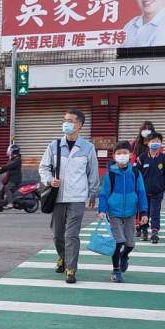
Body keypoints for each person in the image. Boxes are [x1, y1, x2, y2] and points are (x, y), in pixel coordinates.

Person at [38, 108, 100, 284]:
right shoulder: (54, 146)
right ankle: (62, 257)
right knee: (58, 235)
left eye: (71, 120)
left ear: (79, 125)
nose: (66, 123)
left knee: (71, 234)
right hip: (57, 197)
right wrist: (50, 180)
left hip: (77, 198)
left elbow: (92, 174)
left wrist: (93, 195)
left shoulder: (88, 148)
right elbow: (43, 167)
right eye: (65, 119)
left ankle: (71, 268)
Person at [97, 142, 149, 283]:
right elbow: (103, 194)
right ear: (114, 156)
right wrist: (102, 210)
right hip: (114, 213)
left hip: (131, 213)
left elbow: (141, 192)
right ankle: (116, 270)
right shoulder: (111, 175)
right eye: (119, 153)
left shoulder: (136, 173)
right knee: (118, 242)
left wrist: (144, 212)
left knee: (130, 244)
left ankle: (124, 256)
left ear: (131, 155)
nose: (122, 156)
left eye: (125, 152)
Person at [136, 132, 165, 243]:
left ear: (161, 144)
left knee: (155, 211)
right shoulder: (142, 158)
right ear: (147, 143)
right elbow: (135, 174)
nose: (155, 143)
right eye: (153, 141)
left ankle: (154, 232)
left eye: (158, 142)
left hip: (158, 192)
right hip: (143, 192)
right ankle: (144, 231)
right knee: (144, 211)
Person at [0, 144, 23, 211]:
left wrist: (1, 167)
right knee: (1, 191)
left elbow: (9, 166)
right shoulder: (12, 159)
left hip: (15, 179)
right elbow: (6, 168)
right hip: (10, 178)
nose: (9, 152)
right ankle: (0, 206)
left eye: (11, 151)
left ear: (15, 151)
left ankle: (10, 203)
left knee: (7, 188)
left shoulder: (18, 160)